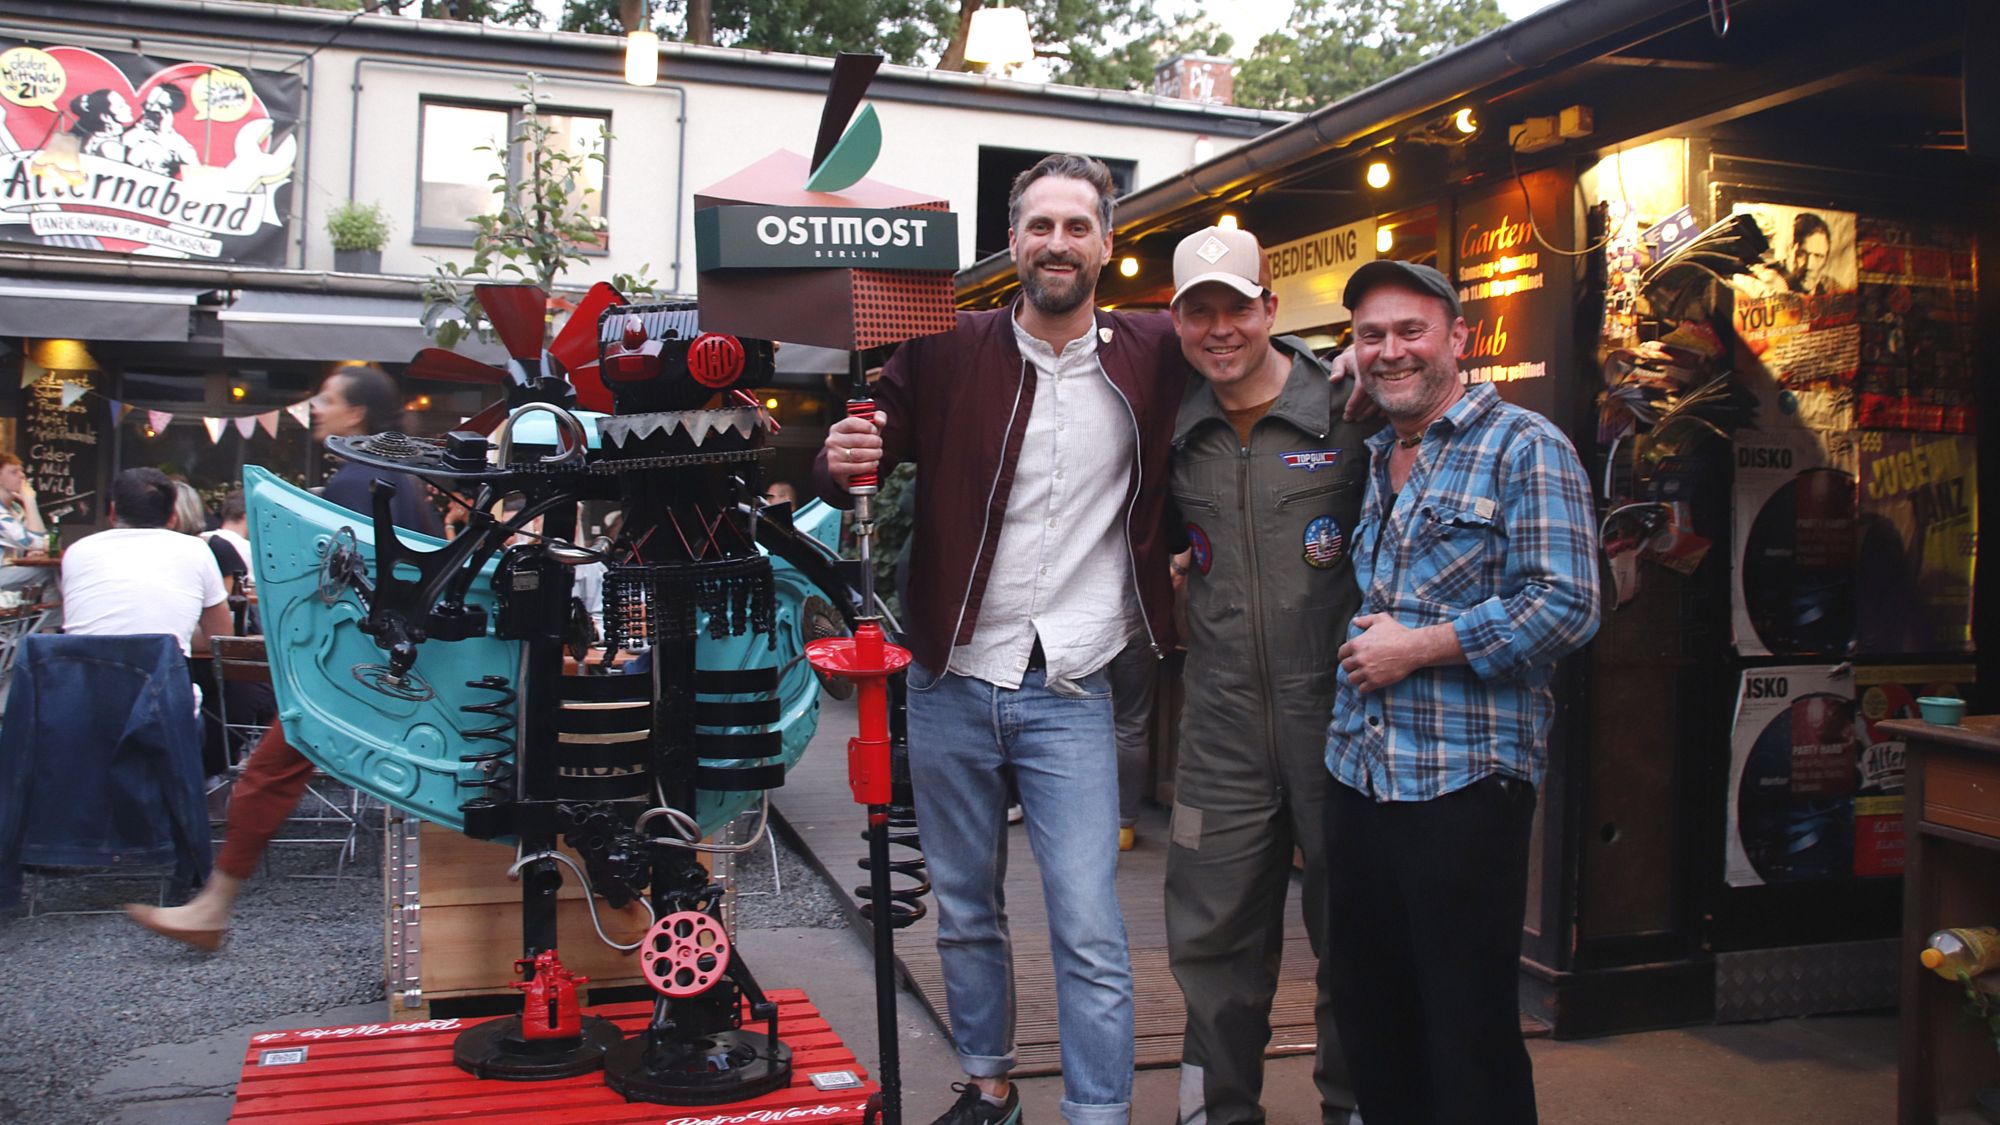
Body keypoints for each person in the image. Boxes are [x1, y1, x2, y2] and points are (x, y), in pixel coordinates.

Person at [816, 153, 1187, 1125]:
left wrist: (1345, 371)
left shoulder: (1152, 349)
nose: (1056, 243)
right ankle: (987, 1088)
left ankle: (1096, 1113)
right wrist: (839, 452)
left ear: (1106, 243)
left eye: (1076, 226)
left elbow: (1250, 357)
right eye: (1038, 225)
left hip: (1071, 686)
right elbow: (866, 440)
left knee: (1089, 928)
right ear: (1010, 241)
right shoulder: (943, 348)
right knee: (966, 912)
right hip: (949, 678)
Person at [1323, 260, 1601, 1125]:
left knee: (1467, 1027)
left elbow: (1569, 603)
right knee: (1374, 1019)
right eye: (1371, 335)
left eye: (1412, 331)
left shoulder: (1525, 443)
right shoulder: (1376, 454)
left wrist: (1422, 648)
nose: (1391, 350)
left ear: (1459, 339)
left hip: (1463, 783)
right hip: (1359, 774)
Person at [1163, 225, 1370, 1125]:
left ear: (1269, 310)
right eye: (1198, 311)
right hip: (1219, 729)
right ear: (1176, 322)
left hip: (1344, 721)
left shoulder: (1349, 410)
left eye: (1235, 307)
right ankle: (1216, 1114)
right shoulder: (1173, 425)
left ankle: (1357, 1106)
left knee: (1357, 935)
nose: (1220, 329)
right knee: (1210, 944)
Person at [126, 365, 440, 952]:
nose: (316, 407)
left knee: (268, 775)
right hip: (393, 664)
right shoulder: (399, 476)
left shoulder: (357, 481)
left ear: (357, 415)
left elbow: (340, 583)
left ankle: (212, 909)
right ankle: (212, 909)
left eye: (327, 399)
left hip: (353, 665)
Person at [60, 467, 231, 658]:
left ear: (113, 512)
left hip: (81, 682)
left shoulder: (77, 551)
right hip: (163, 683)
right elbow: (220, 637)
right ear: (173, 517)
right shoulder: (196, 550)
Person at [0, 453, 50, 594]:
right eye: (13, 472)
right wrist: (30, 501)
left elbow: (45, 542)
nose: (21, 475)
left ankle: (37, 615)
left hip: (10, 570)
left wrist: (37, 546)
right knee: (49, 573)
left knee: (53, 571)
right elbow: (36, 541)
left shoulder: (16, 509)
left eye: (21, 471)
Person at [1784, 211, 1833, 294]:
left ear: (1826, 259)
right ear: (1790, 251)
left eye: (1818, 256)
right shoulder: (1769, 285)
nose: (1809, 266)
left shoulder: (1834, 290)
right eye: (1802, 254)